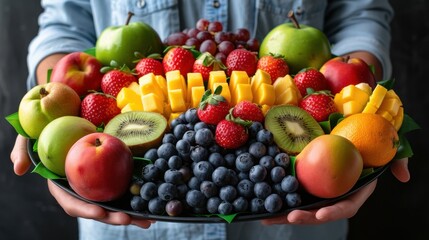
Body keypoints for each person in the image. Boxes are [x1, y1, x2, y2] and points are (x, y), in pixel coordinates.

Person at [10, 0, 410, 239]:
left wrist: (364, 107)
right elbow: (63, 24)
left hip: (298, 219)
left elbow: (361, 12)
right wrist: (57, 110)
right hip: (126, 210)